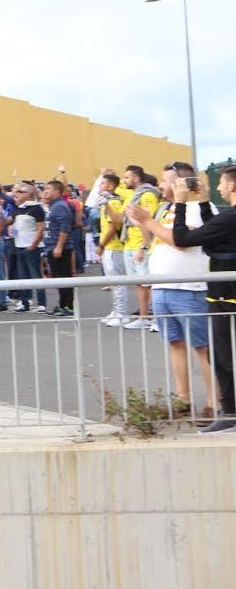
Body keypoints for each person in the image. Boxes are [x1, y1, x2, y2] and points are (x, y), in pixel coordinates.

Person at [141, 165, 236, 432]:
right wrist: (203, 200)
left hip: (224, 297)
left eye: (221, 184)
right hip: (221, 295)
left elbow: (183, 238)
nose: (216, 187)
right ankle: (228, 411)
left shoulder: (229, 218)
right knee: (220, 355)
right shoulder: (226, 219)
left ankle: (228, 412)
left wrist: (182, 203)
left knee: (220, 356)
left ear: (231, 187)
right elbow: (213, 237)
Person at [127, 163, 215, 417]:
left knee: (203, 348)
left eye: (166, 181)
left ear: (181, 183)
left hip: (189, 289)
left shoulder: (198, 209)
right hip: (164, 287)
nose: (160, 186)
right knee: (175, 343)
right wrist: (143, 223)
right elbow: (160, 239)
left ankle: (215, 402)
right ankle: (182, 399)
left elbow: (182, 242)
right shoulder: (168, 209)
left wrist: (149, 222)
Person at [122, 166, 163, 332]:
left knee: (150, 284)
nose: (124, 180)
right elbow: (122, 218)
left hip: (141, 245)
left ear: (136, 178)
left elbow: (148, 221)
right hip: (130, 244)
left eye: (126, 177)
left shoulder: (147, 195)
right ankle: (144, 317)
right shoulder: (133, 195)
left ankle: (156, 319)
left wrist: (143, 246)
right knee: (139, 284)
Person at [93, 172, 134, 327]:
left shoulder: (114, 202)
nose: (100, 186)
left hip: (114, 246)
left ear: (110, 186)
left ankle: (121, 313)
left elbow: (113, 226)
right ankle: (117, 311)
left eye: (102, 183)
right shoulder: (107, 202)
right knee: (113, 281)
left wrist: (101, 244)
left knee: (118, 282)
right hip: (110, 247)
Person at [39, 180, 76, 317]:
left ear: (56, 192)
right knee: (58, 278)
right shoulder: (53, 206)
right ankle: (62, 304)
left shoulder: (60, 206)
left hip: (59, 249)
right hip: (52, 247)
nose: (44, 191)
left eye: (47, 189)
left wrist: (59, 246)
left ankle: (68, 306)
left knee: (64, 278)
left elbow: (64, 227)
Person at [8, 184, 46, 313]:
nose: (18, 194)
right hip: (19, 245)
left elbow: (41, 229)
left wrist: (33, 245)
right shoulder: (18, 209)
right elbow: (14, 225)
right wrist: (12, 230)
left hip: (31, 247)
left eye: (21, 192)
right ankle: (25, 302)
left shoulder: (36, 208)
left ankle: (42, 303)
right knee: (23, 276)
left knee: (35, 275)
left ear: (29, 194)